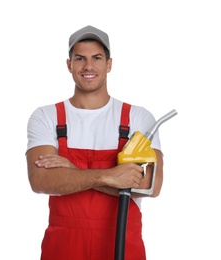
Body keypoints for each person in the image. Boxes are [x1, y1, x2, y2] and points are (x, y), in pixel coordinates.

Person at [26, 25, 163, 260]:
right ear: (69, 64)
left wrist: (71, 171)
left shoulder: (136, 118)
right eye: (80, 58)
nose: (88, 66)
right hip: (63, 249)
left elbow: (151, 184)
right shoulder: (46, 116)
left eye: (96, 58)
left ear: (109, 64)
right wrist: (110, 176)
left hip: (121, 247)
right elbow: (41, 180)